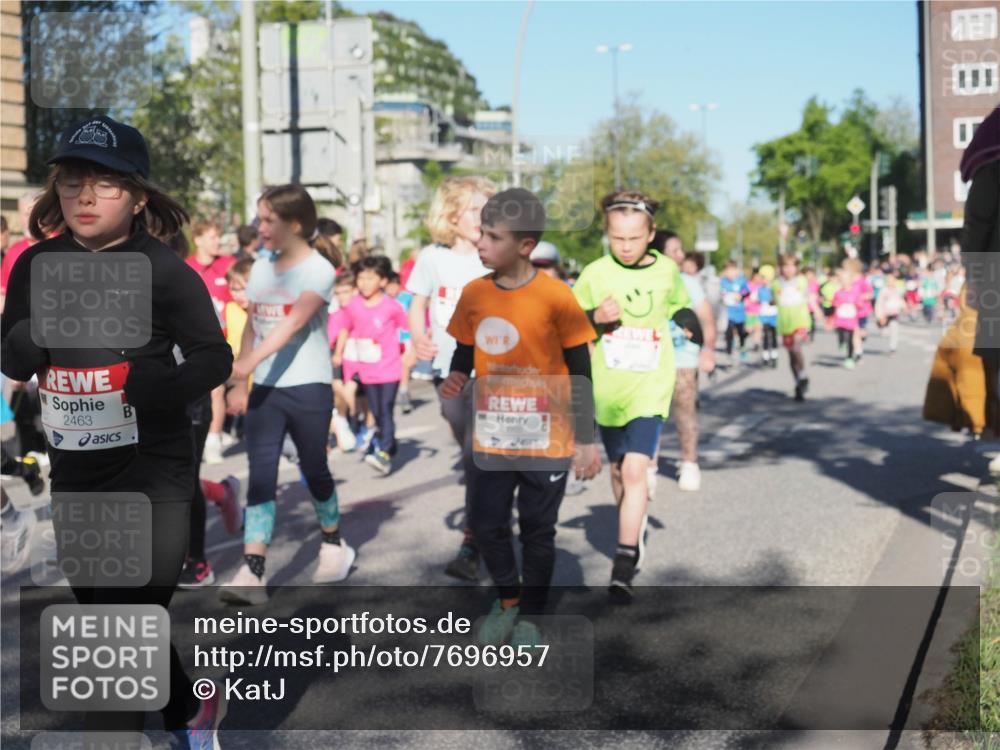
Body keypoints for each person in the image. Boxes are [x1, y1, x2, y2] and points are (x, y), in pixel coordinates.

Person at [0, 115, 232, 744]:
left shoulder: (164, 270)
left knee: (115, 634)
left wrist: (162, 387)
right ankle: (190, 712)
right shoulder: (35, 265)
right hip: (78, 476)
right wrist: (30, 337)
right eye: (72, 181)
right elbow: (13, 358)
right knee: (117, 619)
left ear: (138, 197)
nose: (85, 196)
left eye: (105, 183)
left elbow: (214, 357)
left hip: (154, 474)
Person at [442, 187, 601, 644]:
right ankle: (508, 600)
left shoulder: (557, 297)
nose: (481, 243)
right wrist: (457, 375)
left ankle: (532, 616)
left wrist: (586, 439)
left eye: (494, 237)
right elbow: (464, 347)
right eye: (481, 234)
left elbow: (580, 369)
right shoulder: (475, 293)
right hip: (493, 434)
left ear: (525, 245)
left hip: (547, 437)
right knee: (487, 524)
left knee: (537, 530)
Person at [223, 184, 354, 604]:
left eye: (268, 220)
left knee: (314, 467)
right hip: (266, 389)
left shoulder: (319, 270)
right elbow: (255, 326)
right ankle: (253, 570)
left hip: (309, 387)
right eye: (259, 219)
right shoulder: (261, 268)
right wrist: (240, 381)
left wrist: (247, 364)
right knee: (261, 474)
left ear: (295, 224)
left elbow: (293, 322)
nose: (260, 227)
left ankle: (334, 543)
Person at [574, 192, 696, 601]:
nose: (625, 246)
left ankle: (623, 560)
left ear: (651, 234)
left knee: (634, 470)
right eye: (617, 238)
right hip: (609, 388)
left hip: (650, 386)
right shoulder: (595, 273)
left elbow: (678, 304)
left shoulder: (665, 270)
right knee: (617, 471)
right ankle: (634, 522)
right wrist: (595, 317)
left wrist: (688, 320)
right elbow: (569, 325)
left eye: (634, 238)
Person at [407, 175, 496, 582]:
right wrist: (418, 336)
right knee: (468, 448)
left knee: (478, 454)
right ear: (451, 215)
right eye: (475, 209)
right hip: (448, 369)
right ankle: (491, 511)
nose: (482, 217)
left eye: (487, 210)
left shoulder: (494, 254)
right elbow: (417, 304)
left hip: (492, 370)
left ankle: (473, 542)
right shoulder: (433, 258)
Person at [333, 255, 409, 475]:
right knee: (375, 411)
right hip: (366, 369)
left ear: (383, 281)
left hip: (390, 368)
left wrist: (409, 353)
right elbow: (345, 328)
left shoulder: (392, 306)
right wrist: (338, 353)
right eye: (361, 278)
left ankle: (384, 453)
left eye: (370, 278)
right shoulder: (354, 305)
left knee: (385, 409)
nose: (364, 283)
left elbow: (406, 330)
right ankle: (389, 443)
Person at [656, 230, 716, 493]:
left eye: (681, 250)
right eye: (675, 251)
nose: (681, 255)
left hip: (684, 357)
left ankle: (690, 463)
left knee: (685, 410)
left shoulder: (688, 283)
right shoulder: (644, 281)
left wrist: (708, 350)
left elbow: (707, 319)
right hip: (650, 359)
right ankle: (648, 464)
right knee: (649, 415)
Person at [187, 218, 236, 464]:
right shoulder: (185, 267)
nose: (218, 242)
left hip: (226, 339)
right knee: (201, 392)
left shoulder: (228, 265)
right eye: (212, 237)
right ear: (198, 240)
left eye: (218, 236)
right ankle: (199, 436)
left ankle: (213, 441)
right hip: (194, 342)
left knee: (217, 389)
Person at [773, 253, 812, 401]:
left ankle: (803, 375)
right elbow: (775, 301)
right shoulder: (776, 284)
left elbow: (809, 298)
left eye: (792, 266)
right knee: (791, 355)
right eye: (785, 266)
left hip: (800, 321)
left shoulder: (801, 281)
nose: (789, 269)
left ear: (796, 268)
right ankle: (798, 383)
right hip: (785, 323)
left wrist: (820, 314)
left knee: (796, 347)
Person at [386, 270, 417, 414]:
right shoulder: (382, 300)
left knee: (404, 365)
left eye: (394, 286)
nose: (392, 290)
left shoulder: (407, 298)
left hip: (405, 338)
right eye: (389, 286)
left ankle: (403, 391)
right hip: (389, 339)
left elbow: (415, 316)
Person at [720, 260, 750, 365]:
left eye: (732, 270)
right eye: (728, 270)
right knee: (728, 332)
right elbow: (719, 292)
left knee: (741, 332)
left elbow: (747, 291)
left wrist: (741, 295)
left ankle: (742, 347)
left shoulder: (741, 280)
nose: (730, 273)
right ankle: (729, 353)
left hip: (739, 311)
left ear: (736, 270)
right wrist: (722, 295)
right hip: (728, 312)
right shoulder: (723, 281)